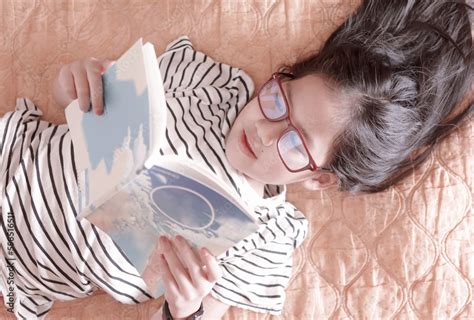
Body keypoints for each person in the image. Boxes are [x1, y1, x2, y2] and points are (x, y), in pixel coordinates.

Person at [0, 0, 471, 319]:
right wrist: (76, 80)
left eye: (294, 145)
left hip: (21, 266)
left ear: (321, 180)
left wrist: (187, 306)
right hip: (11, 151)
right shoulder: (214, 85)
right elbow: (75, 102)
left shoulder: (265, 237)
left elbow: (200, 311)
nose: (264, 132)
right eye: (277, 100)